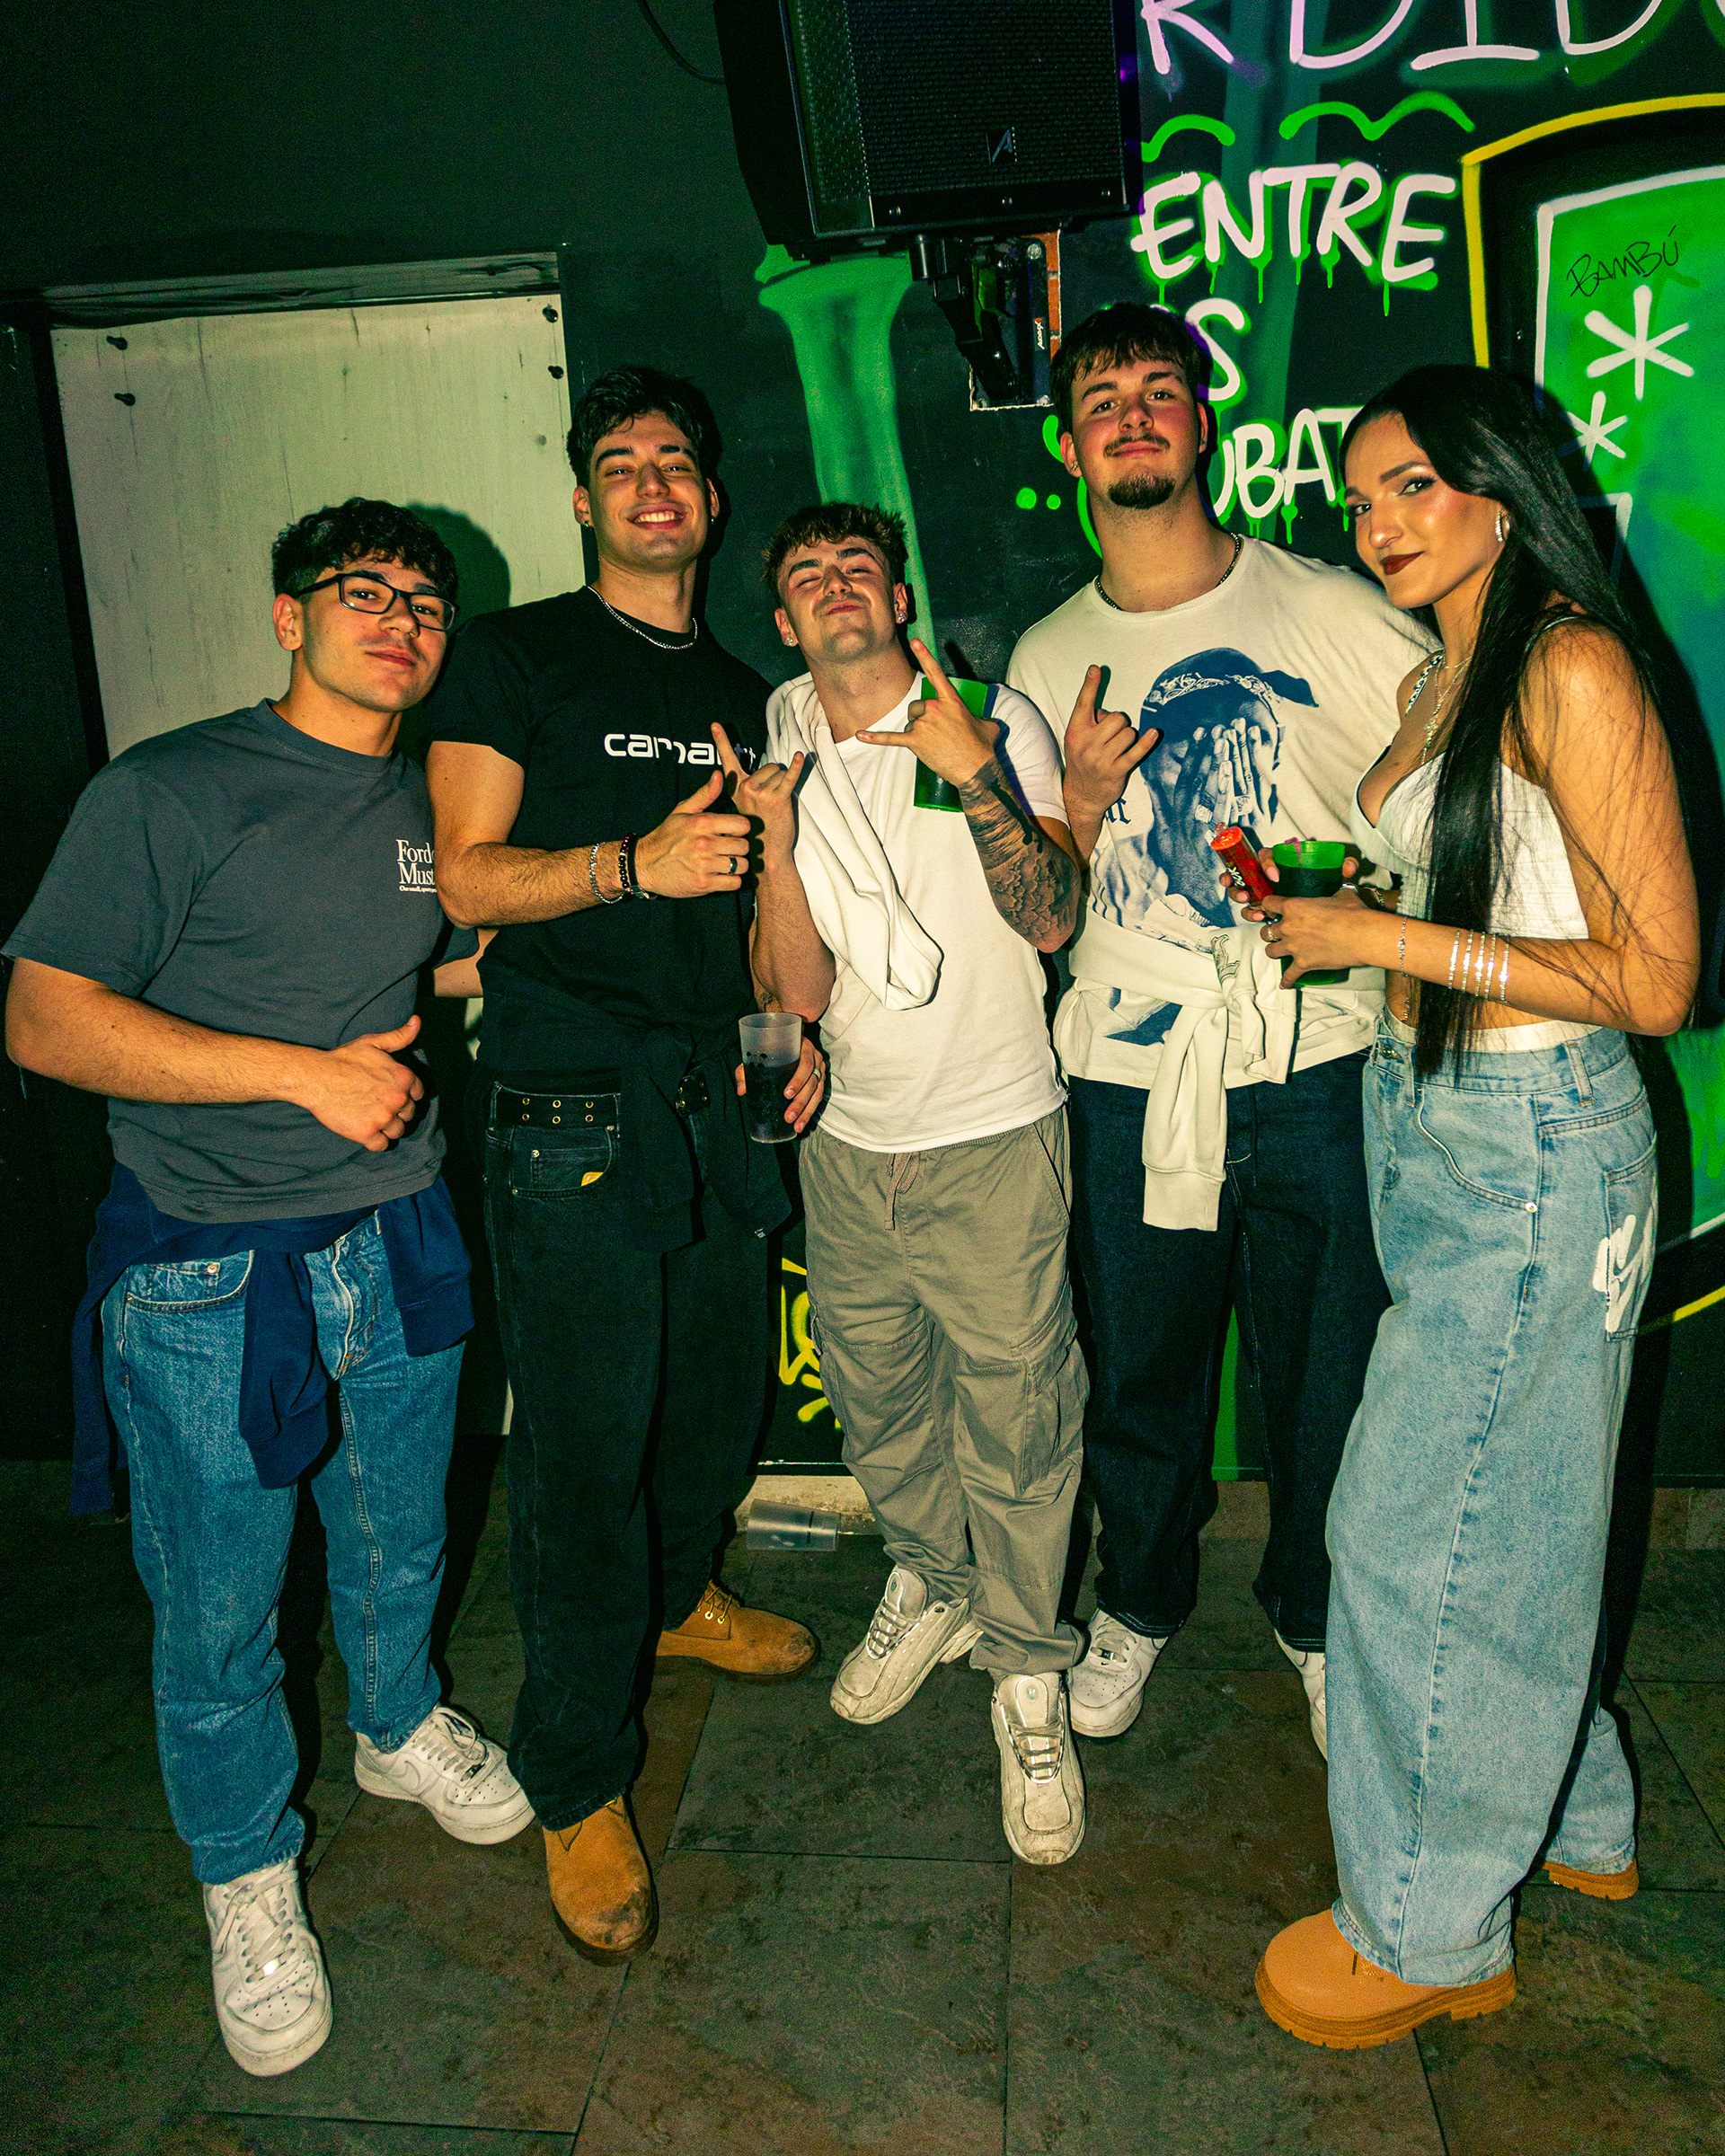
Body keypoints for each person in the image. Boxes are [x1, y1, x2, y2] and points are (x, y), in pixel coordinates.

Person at [3, 501, 530, 2079]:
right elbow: (44, 1019)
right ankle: (243, 1874)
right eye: (365, 592)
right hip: (212, 1262)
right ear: (289, 617)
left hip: (399, 1225)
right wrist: (300, 1075)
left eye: (426, 602)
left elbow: (404, 955)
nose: (402, 619)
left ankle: (395, 1725)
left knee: (400, 1532)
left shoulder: (427, 800)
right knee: (223, 1607)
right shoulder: (169, 787)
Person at [1253, 366, 1698, 2046]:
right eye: (1360, 496)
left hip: (1535, 1141)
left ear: (1503, 494)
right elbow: (1499, 885)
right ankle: (1580, 1820)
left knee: (1409, 1539)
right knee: (1519, 1513)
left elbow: (1656, 980)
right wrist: (1354, 915)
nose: (1377, 523)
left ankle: (1431, 1933)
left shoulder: (1571, 663)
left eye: (1413, 487)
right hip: (1433, 1118)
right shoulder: (1443, 667)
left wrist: (1383, 938)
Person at [424, 366, 829, 1966]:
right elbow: (466, 879)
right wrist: (627, 865)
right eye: (620, 462)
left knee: (714, 1406)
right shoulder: (514, 653)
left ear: (711, 504)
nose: (652, 482)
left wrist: (779, 1046)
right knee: (583, 1459)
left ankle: (674, 1601)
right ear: (586, 498)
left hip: (711, 1102)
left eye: (676, 461)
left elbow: (751, 914)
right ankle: (578, 1777)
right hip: (569, 1113)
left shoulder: (745, 689)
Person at [1007, 303, 1429, 1753]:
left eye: (1158, 391)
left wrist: (1384, 912)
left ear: (1202, 425)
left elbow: (1452, 801)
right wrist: (1072, 803)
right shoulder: (1050, 656)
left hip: (1320, 1060)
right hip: (1132, 1070)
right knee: (1140, 1369)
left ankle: (1314, 1612)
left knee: (1333, 1371)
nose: (1132, 415)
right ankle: (1138, 1600)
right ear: (1071, 449)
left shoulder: (1335, 610)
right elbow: (1040, 907)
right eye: (1102, 400)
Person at [764, 502, 1092, 1864]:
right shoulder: (779, 743)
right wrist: (770, 839)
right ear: (785, 621)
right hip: (849, 1146)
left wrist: (977, 773)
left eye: (859, 567)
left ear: (900, 599)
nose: (836, 585)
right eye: (808, 574)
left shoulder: (993, 718)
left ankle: (1028, 1674)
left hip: (994, 1130)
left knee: (1020, 1423)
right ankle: (934, 1581)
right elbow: (794, 985)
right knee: (882, 1405)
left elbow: (1054, 915)